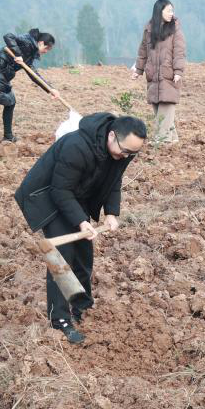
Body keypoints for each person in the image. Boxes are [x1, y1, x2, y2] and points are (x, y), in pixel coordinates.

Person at [14, 113, 146, 344]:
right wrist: (82, 221)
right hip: (47, 195)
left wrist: (111, 213)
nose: (126, 157)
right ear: (112, 135)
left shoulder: (123, 150)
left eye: (132, 153)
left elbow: (114, 180)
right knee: (61, 258)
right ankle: (60, 319)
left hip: (76, 194)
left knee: (84, 252)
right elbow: (60, 190)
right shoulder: (76, 146)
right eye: (125, 151)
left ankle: (81, 306)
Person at [0, 28, 58, 144]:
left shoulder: (31, 53)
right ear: (41, 43)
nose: (46, 51)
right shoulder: (28, 40)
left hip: (3, 74)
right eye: (47, 48)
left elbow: (33, 75)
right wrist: (18, 54)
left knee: (10, 102)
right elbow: (8, 36)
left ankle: (8, 136)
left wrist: (50, 89)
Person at [133, 0, 186, 143]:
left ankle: (162, 141)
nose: (171, 13)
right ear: (159, 11)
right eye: (168, 10)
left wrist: (178, 71)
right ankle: (172, 140)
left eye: (172, 10)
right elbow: (143, 51)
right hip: (153, 79)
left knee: (164, 113)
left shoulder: (175, 30)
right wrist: (138, 70)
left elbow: (179, 52)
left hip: (169, 77)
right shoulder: (149, 30)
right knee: (160, 113)